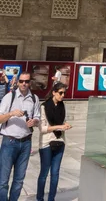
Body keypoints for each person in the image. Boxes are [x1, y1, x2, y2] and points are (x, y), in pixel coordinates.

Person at [0, 71, 40, 201]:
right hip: (9, 142)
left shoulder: (34, 98)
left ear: (30, 83)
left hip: (26, 142)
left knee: (19, 181)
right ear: (17, 82)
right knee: (3, 180)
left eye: (26, 81)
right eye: (21, 81)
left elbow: (38, 117)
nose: (24, 84)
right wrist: (11, 114)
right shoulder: (9, 97)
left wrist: (34, 122)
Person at [36, 82, 72, 201]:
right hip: (46, 144)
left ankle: (51, 198)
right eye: (60, 93)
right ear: (54, 92)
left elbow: (63, 121)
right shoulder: (44, 106)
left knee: (55, 174)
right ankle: (39, 198)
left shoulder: (62, 106)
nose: (62, 95)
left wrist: (66, 125)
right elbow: (42, 129)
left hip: (60, 142)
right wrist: (59, 127)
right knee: (44, 173)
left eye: (64, 93)